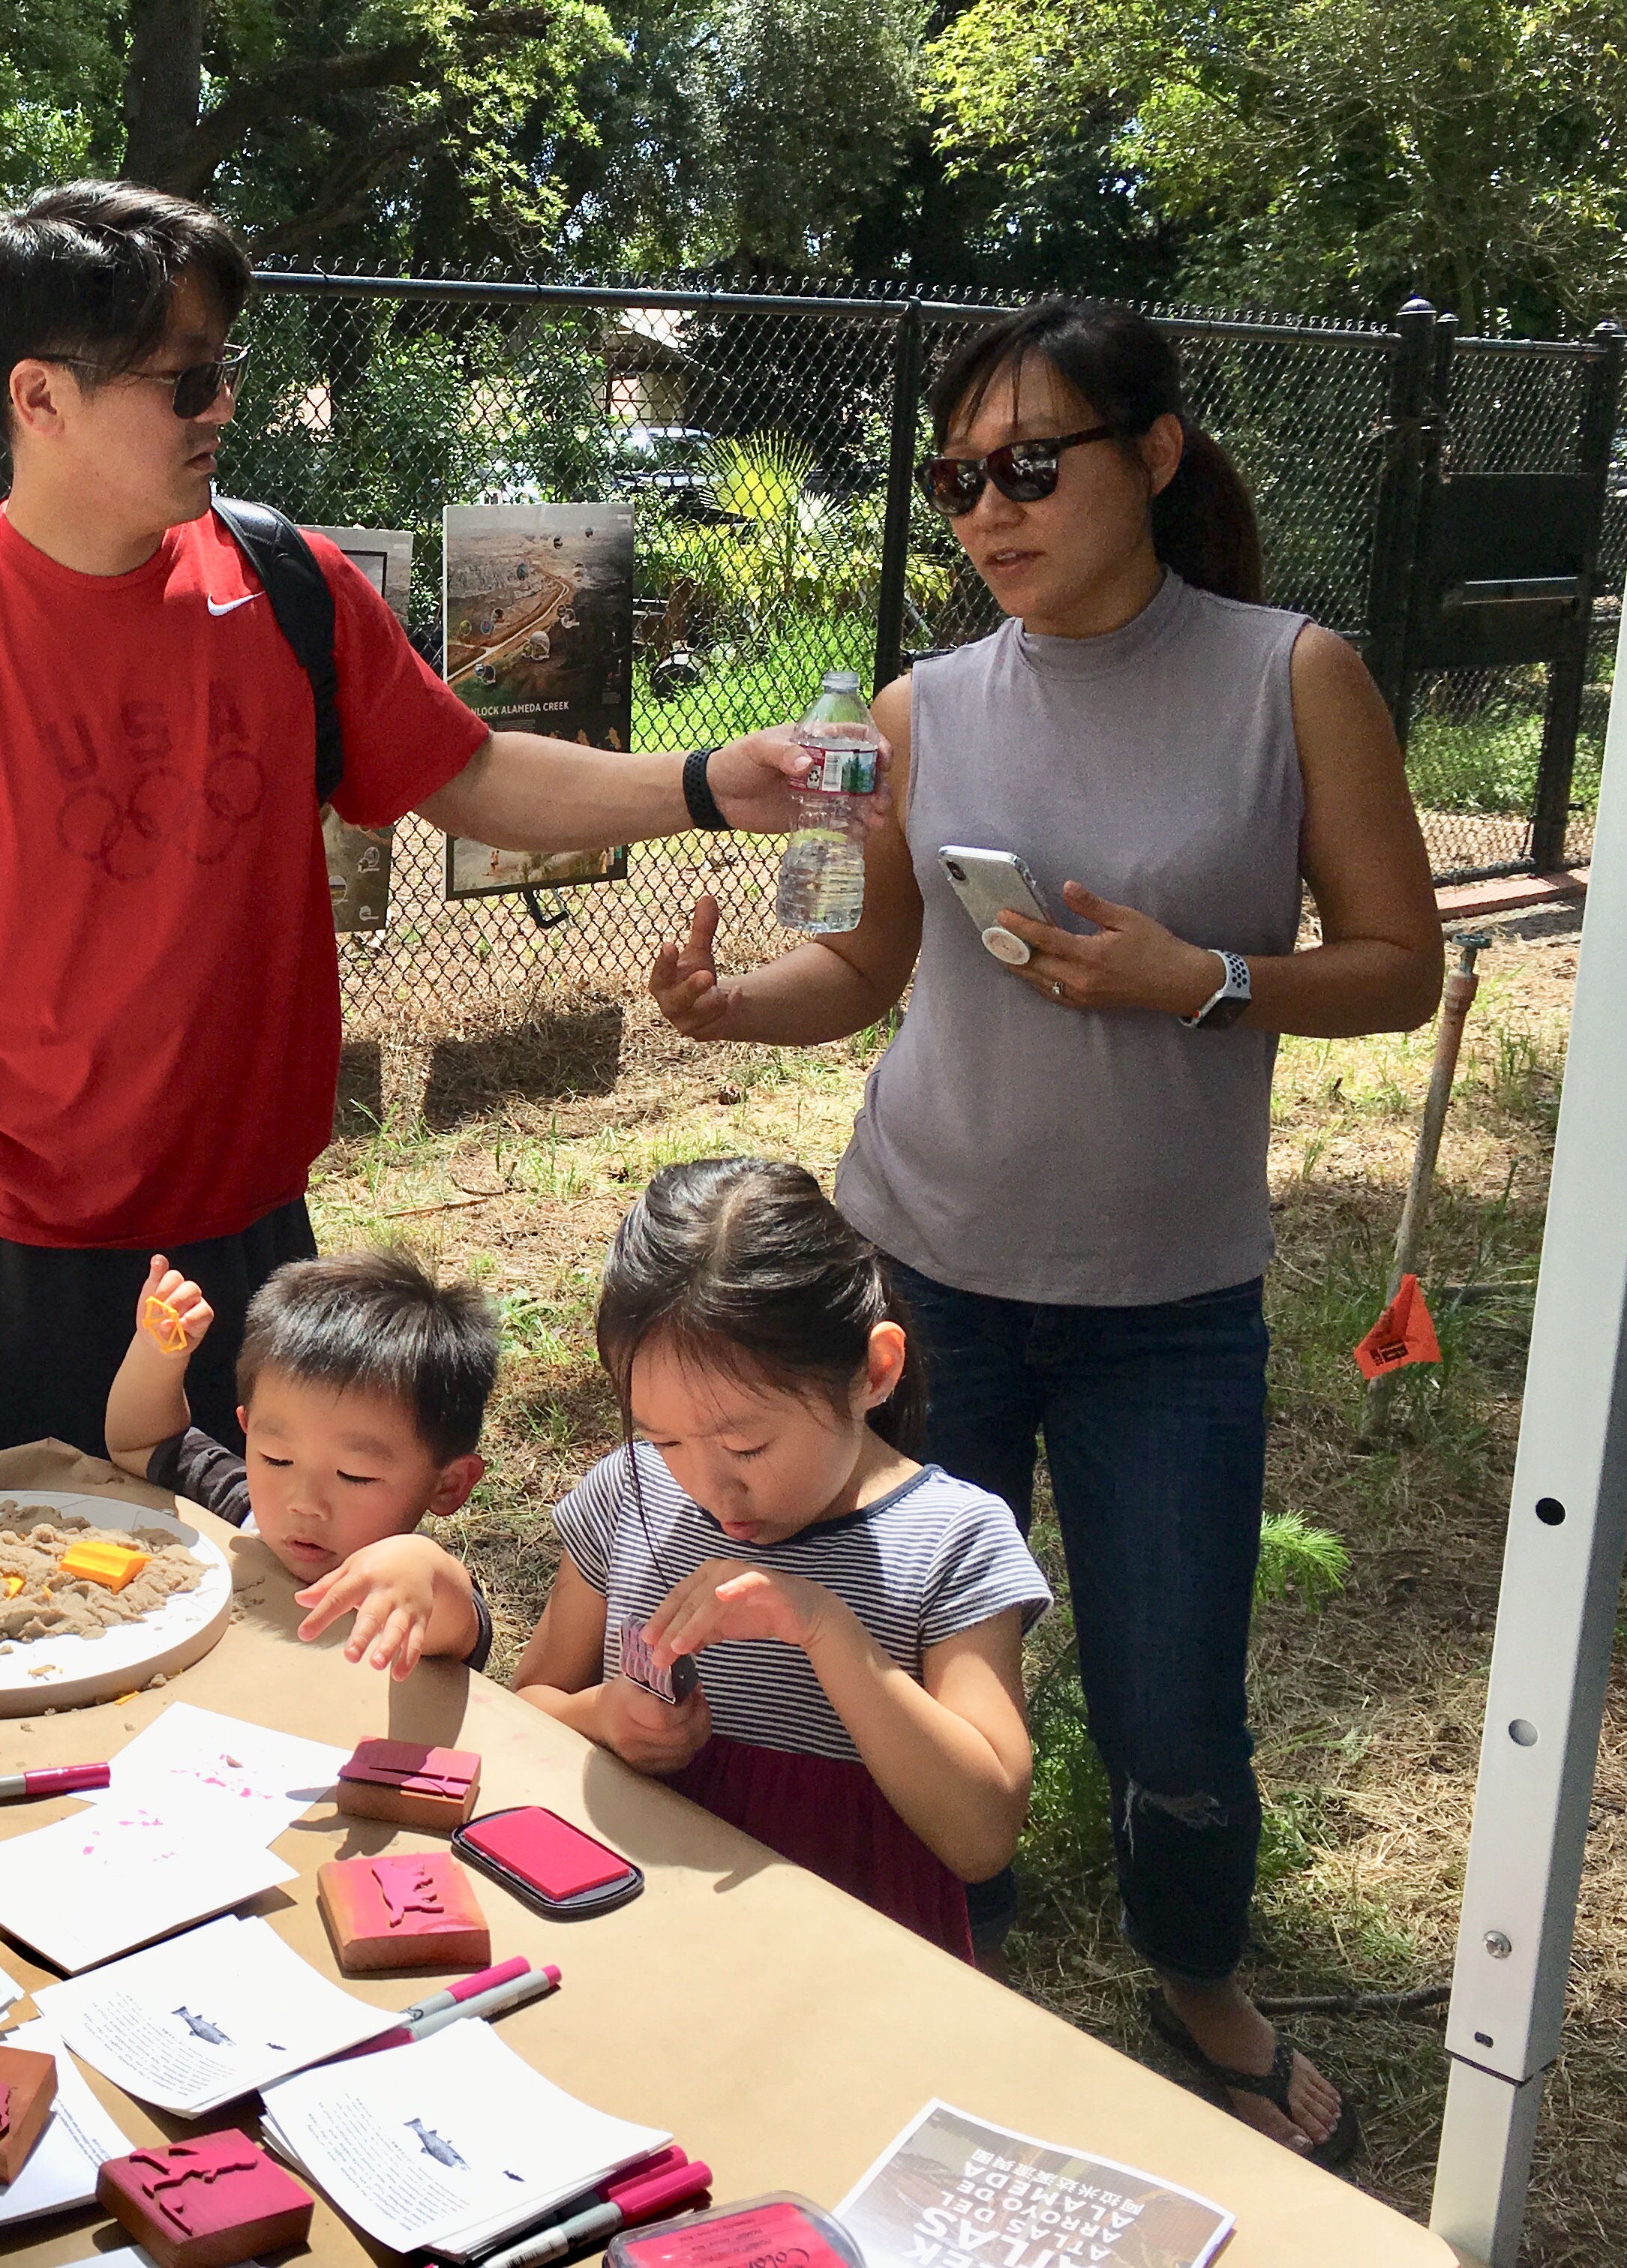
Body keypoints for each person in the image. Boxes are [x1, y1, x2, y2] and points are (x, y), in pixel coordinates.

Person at [648, 297, 1438, 2164]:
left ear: (1152, 455)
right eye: (956, 481)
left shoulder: (1292, 677)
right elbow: (867, 965)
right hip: (921, 1273)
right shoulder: (921, 706)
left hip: (1169, 1302)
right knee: (906, 1653)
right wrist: (731, 1006)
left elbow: (1399, 965)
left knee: (1173, 1707)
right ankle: (948, 1945)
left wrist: (1205, 980)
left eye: (1028, 467)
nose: (988, 512)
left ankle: (1198, 1979)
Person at [0, 179, 812, 1496]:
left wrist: (707, 782)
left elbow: (469, 776)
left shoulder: (289, 586)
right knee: (13, 1592)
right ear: (41, 397)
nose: (223, 408)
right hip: (19, 1254)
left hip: (251, 1244)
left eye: (224, 370)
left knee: (270, 1590)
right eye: (185, 380)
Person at [515, 1160, 1051, 1964]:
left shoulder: (951, 1541)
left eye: (746, 1446)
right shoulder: (629, 1495)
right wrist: (600, 1718)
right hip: (633, 1937)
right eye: (664, 1439)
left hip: (843, 1964)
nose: (708, 1485)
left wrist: (825, 1628)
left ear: (873, 1372)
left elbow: (982, 1835)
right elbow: (527, 1707)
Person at [107, 1248, 497, 1677]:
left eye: (354, 1476)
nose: (305, 1503)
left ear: (448, 1484)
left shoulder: (409, 1585)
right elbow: (143, 1443)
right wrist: (157, 1355)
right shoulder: (245, 1512)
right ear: (247, 1429)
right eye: (277, 1459)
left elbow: (456, 1620)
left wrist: (424, 1565)